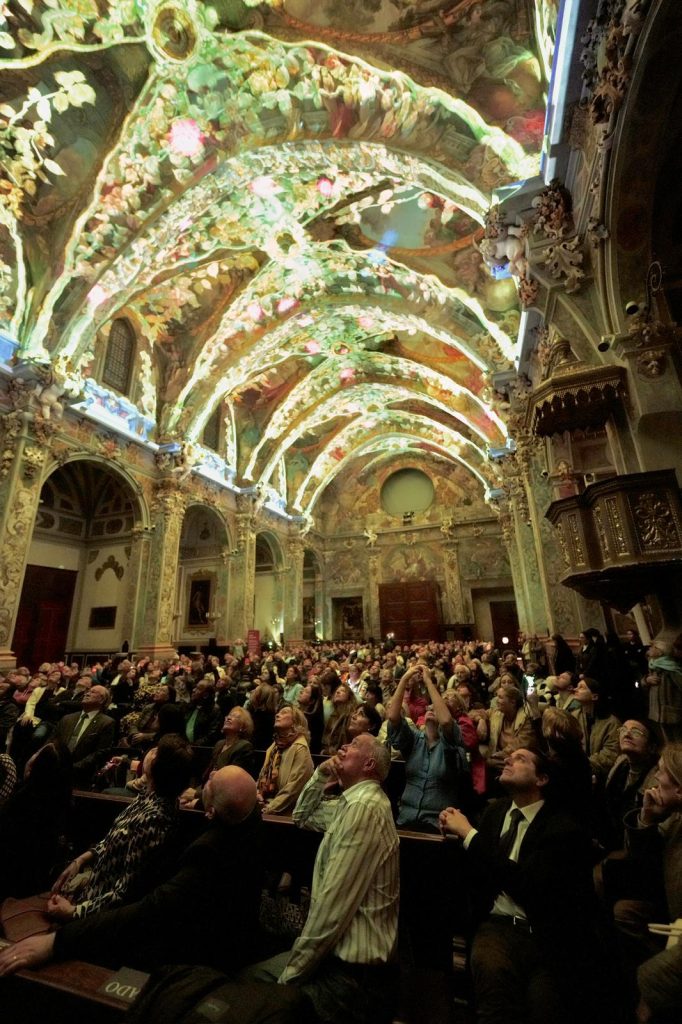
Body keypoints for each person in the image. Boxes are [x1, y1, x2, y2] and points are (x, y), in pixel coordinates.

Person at [0, 766, 265, 975]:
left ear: (211, 812)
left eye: (212, 783)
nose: (210, 776)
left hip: (200, 957)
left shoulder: (209, 853)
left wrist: (58, 942)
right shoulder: (247, 821)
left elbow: (150, 909)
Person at [439, 747, 612, 1024]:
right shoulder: (495, 812)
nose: (508, 759)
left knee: (546, 1006)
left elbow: (527, 884)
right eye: (510, 756)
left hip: (546, 936)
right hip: (497, 927)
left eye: (521, 759)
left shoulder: (561, 827)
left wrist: (469, 834)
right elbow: (478, 872)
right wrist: (456, 838)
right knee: (495, 1000)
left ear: (542, 779)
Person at [247, 733, 399, 1024]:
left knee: (254, 993)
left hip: (354, 978)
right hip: (336, 961)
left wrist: (289, 979)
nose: (344, 747)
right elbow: (302, 816)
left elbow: (332, 909)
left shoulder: (364, 808)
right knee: (251, 976)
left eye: (354, 744)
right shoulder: (352, 803)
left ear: (369, 764)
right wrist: (321, 773)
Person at [45, 735, 193, 922]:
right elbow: (113, 842)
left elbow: (125, 893)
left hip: (99, 919)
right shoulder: (147, 796)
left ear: (161, 769)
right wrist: (82, 859)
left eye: (157, 752)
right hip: (93, 893)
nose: (151, 751)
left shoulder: (155, 819)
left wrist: (73, 912)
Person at [387, 661, 468, 830]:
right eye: (430, 707)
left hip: (437, 823)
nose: (431, 709)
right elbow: (393, 717)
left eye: (437, 708)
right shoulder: (415, 739)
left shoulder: (451, 741)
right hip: (406, 819)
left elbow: (446, 721)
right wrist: (405, 678)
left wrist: (428, 681)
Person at [0, 741, 73, 899]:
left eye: (38, 753)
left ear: (35, 767)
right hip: (32, 889)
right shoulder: (60, 806)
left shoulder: (19, 805)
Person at [53, 685, 116, 787]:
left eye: (93, 692)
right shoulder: (67, 718)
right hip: (55, 767)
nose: (87, 694)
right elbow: (52, 740)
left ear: (102, 700)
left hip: (81, 774)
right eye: (88, 691)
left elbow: (100, 752)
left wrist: (74, 767)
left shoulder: (107, 723)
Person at [257, 706, 314, 814]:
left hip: (283, 814)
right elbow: (261, 778)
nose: (277, 715)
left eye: (284, 712)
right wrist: (257, 795)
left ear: (295, 722)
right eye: (278, 713)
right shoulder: (274, 747)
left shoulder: (300, 749)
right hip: (265, 805)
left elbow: (293, 790)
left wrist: (268, 809)